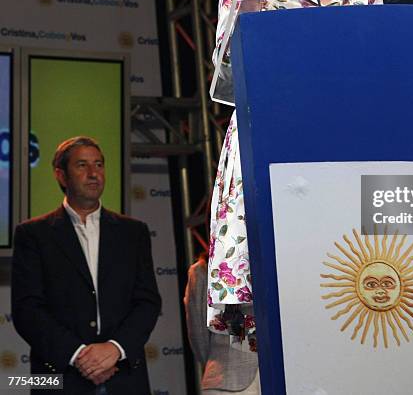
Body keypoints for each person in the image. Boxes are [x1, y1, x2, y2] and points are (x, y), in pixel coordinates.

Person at [208, 0, 381, 344]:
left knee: (355, 303)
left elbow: (376, 69)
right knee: (287, 318)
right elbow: (231, 74)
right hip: (274, 145)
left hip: (345, 147)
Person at [11, 136, 161, 394]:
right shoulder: (33, 234)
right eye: (82, 165)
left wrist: (115, 348)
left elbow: (147, 302)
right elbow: (28, 309)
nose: (94, 174)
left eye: (99, 165)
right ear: (61, 175)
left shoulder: (133, 232)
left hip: (124, 376)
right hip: (59, 378)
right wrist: (79, 355)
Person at [184, 256, 259, 394]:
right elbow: (199, 335)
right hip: (228, 381)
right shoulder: (202, 270)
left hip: (283, 376)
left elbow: (199, 335)